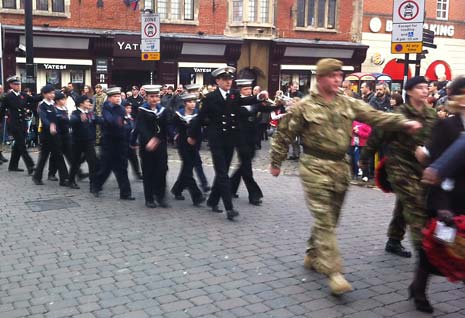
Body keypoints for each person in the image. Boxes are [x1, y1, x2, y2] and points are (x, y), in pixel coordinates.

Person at [269, 58, 422, 295]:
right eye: (333, 75)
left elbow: (375, 116)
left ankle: (312, 252)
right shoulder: (304, 107)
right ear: (320, 79)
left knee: (331, 216)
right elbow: (284, 135)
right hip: (314, 166)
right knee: (324, 217)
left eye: (340, 75)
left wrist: (402, 123)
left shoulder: (348, 103)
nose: (338, 79)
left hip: (340, 166)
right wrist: (276, 162)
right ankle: (334, 272)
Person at [409, 77, 465, 313]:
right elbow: (435, 166)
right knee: (437, 247)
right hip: (447, 198)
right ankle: (418, 287)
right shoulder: (447, 126)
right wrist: (441, 206)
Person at [187, 67, 268, 221]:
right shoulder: (210, 97)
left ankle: (212, 200)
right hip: (216, 139)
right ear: (218, 81)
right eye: (225, 79)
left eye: (230, 79)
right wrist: (192, 135)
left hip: (230, 139)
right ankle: (229, 208)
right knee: (223, 173)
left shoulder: (234, 95)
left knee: (221, 173)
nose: (228, 82)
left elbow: (246, 100)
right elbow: (200, 118)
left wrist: (259, 97)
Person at [133, 85, 171, 208]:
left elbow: (166, 127)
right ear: (147, 97)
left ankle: (160, 196)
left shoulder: (163, 110)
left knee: (162, 170)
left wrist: (172, 135)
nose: (154, 99)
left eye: (156, 96)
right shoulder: (142, 111)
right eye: (152, 96)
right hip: (147, 146)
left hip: (160, 146)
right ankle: (149, 198)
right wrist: (149, 140)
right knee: (148, 172)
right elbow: (140, 128)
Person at [92, 87, 134, 200]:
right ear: (109, 98)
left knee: (122, 168)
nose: (117, 98)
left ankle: (125, 193)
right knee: (106, 167)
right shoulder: (106, 107)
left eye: (119, 96)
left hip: (121, 141)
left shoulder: (121, 108)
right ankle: (96, 186)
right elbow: (110, 121)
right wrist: (121, 122)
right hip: (109, 142)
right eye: (115, 96)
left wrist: (123, 123)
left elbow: (129, 124)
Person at [230, 79, 266, 205]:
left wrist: (280, 105)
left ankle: (230, 187)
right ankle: (254, 194)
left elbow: (265, 108)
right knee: (246, 167)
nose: (248, 91)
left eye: (250, 89)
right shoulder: (236, 100)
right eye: (245, 89)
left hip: (252, 138)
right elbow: (247, 101)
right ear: (240, 90)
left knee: (243, 166)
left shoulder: (254, 101)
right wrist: (258, 97)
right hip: (240, 138)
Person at [170, 93, 205, 206]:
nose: (192, 104)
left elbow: (201, 130)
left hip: (194, 144)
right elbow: (171, 126)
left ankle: (177, 189)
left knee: (187, 168)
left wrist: (195, 138)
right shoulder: (178, 114)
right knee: (188, 168)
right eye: (190, 102)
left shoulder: (198, 115)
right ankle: (196, 195)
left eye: (194, 102)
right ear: (185, 103)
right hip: (182, 144)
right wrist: (174, 134)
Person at [32, 85, 70, 186]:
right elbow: (44, 118)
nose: (52, 95)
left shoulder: (54, 104)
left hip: (56, 134)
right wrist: (51, 125)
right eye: (50, 93)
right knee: (44, 156)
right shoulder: (42, 105)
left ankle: (64, 179)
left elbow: (61, 117)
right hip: (46, 135)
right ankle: (37, 177)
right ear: (44, 94)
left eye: (53, 93)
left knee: (58, 155)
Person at [2, 76, 36, 174]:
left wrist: (44, 94)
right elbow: (2, 109)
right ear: (11, 85)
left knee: (18, 145)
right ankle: (30, 166)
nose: (18, 86)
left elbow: (33, 99)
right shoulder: (8, 97)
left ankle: (13, 165)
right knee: (22, 145)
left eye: (19, 84)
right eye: (16, 84)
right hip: (14, 124)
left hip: (22, 124)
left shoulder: (23, 95)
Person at [68, 95, 99, 190]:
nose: (89, 103)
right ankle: (71, 180)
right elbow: (72, 121)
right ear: (81, 103)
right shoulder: (75, 113)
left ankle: (93, 184)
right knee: (75, 162)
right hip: (77, 142)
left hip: (89, 141)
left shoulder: (90, 113)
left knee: (92, 162)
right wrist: (79, 119)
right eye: (87, 101)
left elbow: (99, 120)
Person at [123, 101, 142, 180]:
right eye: (127, 108)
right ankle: (123, 176)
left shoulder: (131, 117)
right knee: (124, 162)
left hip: (131, 142)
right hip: (124, 143)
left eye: (130, 108)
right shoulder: (122, 118)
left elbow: (134, 129)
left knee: (134, 159)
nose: (129, 110)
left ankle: (138, 173)